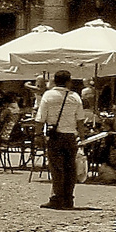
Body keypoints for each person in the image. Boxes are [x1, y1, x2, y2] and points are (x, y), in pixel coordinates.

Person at [36, 71, 85, 210]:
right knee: (70, 168)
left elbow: (40, 118)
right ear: (69, 81)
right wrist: (82, 138)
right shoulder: (75, 97)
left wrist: (37, 135)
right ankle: (69, 198)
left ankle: (57, 198)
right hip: (70, 137)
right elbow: (80, 120)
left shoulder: (48, 95)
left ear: (55, 81)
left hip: (55, 136)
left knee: (57, 168)